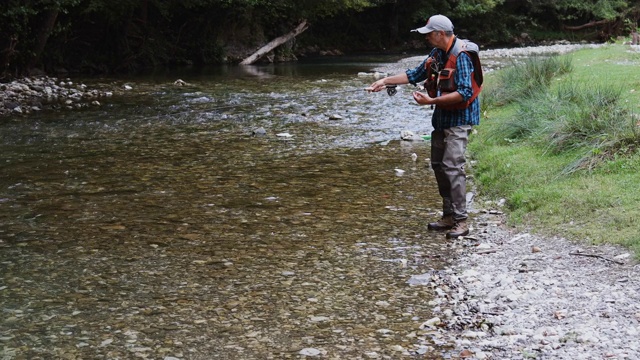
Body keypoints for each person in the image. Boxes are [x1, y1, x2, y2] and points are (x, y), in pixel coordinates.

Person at [367, 14, 482, 239]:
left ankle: (461, 220)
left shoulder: (463, 55)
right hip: (442, 118)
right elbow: (415, 74)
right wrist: (384, 81)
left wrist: (431, 101)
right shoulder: (437, 54)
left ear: (440, 33)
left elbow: (465, 93)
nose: (426, 37)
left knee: (452, 165)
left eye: (429, 33)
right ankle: (448, 215)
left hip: (461, 118)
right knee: (439, 165)